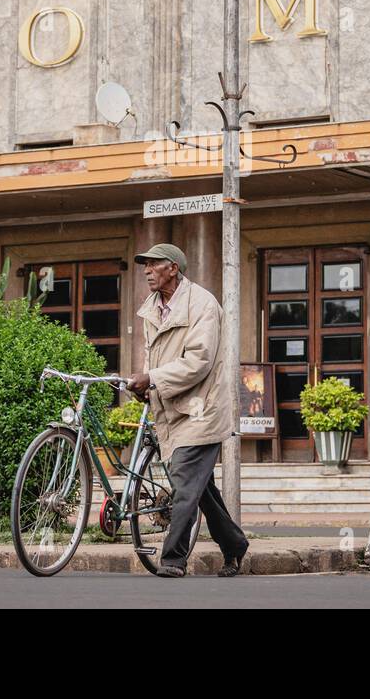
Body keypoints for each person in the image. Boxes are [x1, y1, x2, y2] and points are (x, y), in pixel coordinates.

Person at [124, 243, 249, 578]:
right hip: (171, 407)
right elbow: (155, 357)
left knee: (183, 484)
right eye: (145, 266)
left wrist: (152, 378)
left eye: (153, 265)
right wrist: (148, 386)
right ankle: (235, 545)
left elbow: (198, 362)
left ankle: (173, 558)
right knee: (200, 489)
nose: (147, 271)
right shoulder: (152, 307)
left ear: (173, 269)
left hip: (201, 410)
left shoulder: (202, 304)